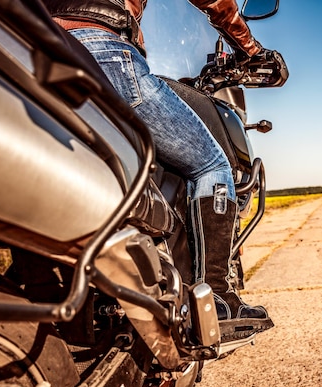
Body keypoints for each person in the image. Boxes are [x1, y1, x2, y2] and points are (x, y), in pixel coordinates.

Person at [42, 0, 274, 340]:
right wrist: (251, 49)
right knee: (211, 166)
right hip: (103, 51)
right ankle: (219, 302)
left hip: (34, 51)